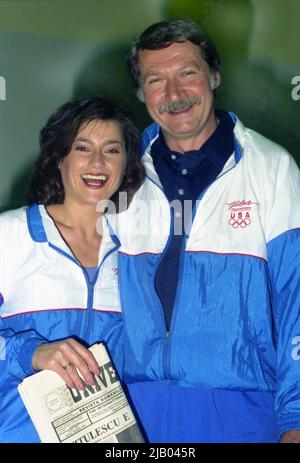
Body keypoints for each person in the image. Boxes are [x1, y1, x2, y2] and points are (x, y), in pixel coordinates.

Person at [106, 18, 300, 443]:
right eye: (156, 80)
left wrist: (295, 418)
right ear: (141, 94)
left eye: (187, 73)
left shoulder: (272, 169)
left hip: (242, 408)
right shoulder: (118, 174)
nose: (174, 94)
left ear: (214, 76)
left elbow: (296, 302)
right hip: (134, 409)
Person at [0, 95, 144, 442]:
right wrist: (30, 352)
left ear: (127, 164)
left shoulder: (136, 252)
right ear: (59, 158)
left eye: (112, 150)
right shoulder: (10, 235)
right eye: (83, 148)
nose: (98, 162)